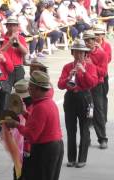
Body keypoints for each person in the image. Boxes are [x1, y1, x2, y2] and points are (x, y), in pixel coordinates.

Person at [4, 70, 64, 180]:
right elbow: (36, 122)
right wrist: (25, 113)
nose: (29, 90)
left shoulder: (41, 107)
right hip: (53, 146)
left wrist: (16, 124)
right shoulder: (48, 102)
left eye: (30, 87)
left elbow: (31, 134)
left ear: (37, 89)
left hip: (46, 148)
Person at [58, 39, 98, 168]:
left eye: (82, 52)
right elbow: (60, 85)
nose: (79, 55)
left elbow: (92, 83)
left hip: (84, 98)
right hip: (70, 98)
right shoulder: (67, 67)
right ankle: (71, 158)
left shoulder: (90, 67)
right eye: (76, 52)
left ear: (85, 54)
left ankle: (82, 159)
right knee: (71, 130)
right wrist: (69, 77)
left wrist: (84, 72)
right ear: (73, 53)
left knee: (84, 130)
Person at [83, 30, 108, 149]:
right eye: (85, 40)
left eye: (89, 40)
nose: (87, 43)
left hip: (97, 85)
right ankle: (85, 139)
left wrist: (91, 64)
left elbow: (103, 72)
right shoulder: (82, 53)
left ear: (94, 41)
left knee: (98, 112)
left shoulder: (101, 54)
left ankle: (102, 139)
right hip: (85, 84)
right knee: (85, 112)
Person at [1, 16, 28, 109]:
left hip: (18, 68)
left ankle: (21, 116)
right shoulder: (1, 39)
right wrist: (10, 42)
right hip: (6, 69)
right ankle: (5, 117)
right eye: (10, 25)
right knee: (6, 94)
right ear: (7, 26)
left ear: (17, 27)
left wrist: (17, 42)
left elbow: (25, 52)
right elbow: (0, 52)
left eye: (14, 25)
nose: (12, 28)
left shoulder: (21, 38)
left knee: (21, 94)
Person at [94, 24, 111, 123]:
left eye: (99, 34)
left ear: (103, 35)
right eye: (95, 34)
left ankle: (102, 118)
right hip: (92, 74)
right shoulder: (90, 44)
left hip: (102, 74)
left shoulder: (106, 45)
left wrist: (100, 49)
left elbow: (108, 59)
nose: (96, 36)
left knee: (102, 97)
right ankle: (92, 118)